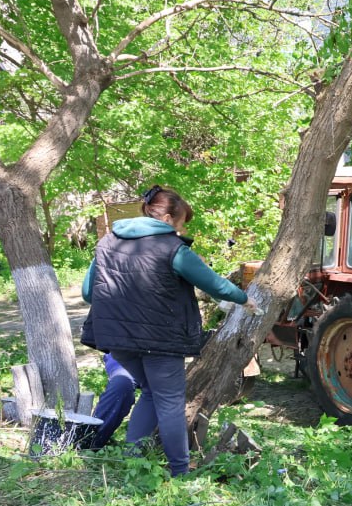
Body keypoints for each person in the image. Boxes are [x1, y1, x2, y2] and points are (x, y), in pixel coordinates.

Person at [80, 185, 253, 477]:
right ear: (170, 218)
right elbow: (214, 284)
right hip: (161, 339)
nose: (181, 229)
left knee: (149, 392)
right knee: (170, 401)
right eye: (183, 223)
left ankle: (132, 460)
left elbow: (88, 293)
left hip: (117, 338)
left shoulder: (108, 243)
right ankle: (180, 472)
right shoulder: (173, 248)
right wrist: (246, 299)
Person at [79, 353, 138, 450]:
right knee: (121, 386)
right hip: (128, 354)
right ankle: (90, 444)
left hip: (165, 360)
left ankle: (144, 448)